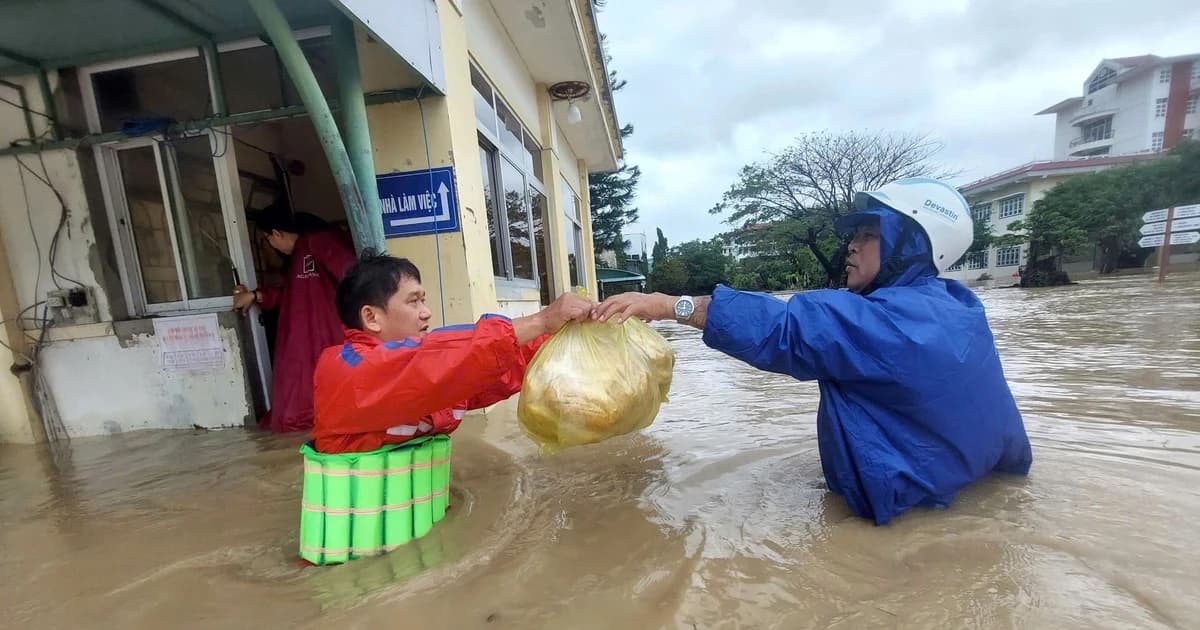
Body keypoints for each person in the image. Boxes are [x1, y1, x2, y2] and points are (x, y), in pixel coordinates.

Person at [593, 177, 1032, 525]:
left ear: (911, 244)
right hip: (981, 492)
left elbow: (782, 328)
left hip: (910, 518)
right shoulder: (961, 306)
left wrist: (669, 305)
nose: (852, 246)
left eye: (870, 235)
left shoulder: (883, 322)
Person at [311, 253, 594, 454]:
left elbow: (496, 371)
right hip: (361, 535)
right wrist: (540, 321)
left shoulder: (431, 377)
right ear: (371, 318)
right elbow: (435, 361)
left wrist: (558, 336)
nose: (427, 312)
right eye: (414, 301)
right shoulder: (345, 368)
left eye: (424, 299)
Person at [233, 200, 357, 433]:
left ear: (277, 234)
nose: (271, 246)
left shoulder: (319, 242)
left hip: (324, 334)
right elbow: (291, 295)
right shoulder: (301, 253)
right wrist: (256, 295)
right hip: (307, 338)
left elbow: (353, 276)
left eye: (268, 240)